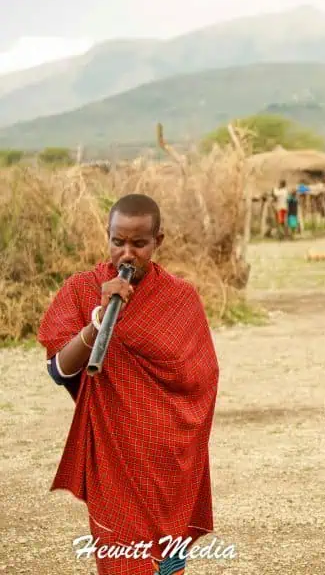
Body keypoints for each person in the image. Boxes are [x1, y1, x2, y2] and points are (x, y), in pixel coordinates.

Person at [37, 193, 220, 575]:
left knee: (166, 565)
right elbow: (58, 370)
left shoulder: (180, 298)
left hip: (171, 462)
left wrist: (177, 432)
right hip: (113, 455)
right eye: (118, 241)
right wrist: (97, 323)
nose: (127, 254)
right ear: (107, 237)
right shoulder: (81, 290)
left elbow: (202, 379)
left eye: (139, 243)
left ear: (158, 242)